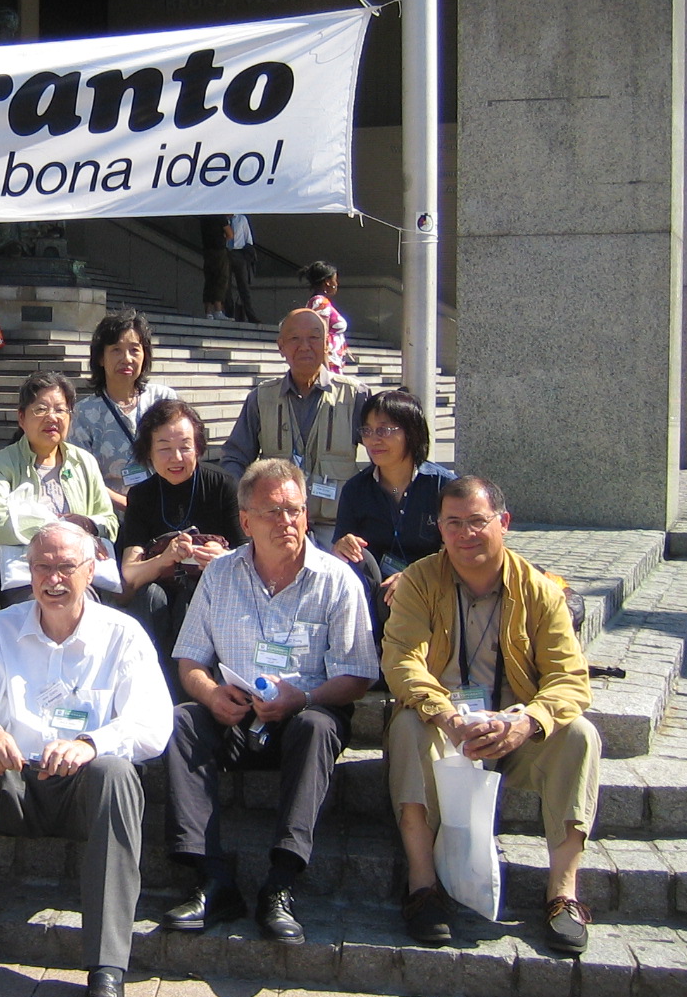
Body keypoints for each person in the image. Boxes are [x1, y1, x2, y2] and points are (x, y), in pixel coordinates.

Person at [0, 522, 172, 997]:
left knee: (115, 771)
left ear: (90, 570)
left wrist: (91, 743)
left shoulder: (123, 635)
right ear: (28, 572)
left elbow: (153, 725)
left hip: (84, 792)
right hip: (15, 784)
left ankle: (106, 969)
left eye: (66, 567)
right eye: (42, 567)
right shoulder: (1, 628)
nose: (53, 579)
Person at [163, 458, 377, 945]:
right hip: (237, 716)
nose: (287, 522)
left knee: (317, 726)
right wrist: (211, 693)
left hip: (303, 715)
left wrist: (304, 697)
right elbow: (189, 662)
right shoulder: (219, 574)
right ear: (246, 521)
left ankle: (280, 883)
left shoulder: (337, 579)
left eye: (295, 510)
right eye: (273, 512)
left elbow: (358, 675)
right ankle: (211, 878)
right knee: (183, 720)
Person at [383, 476, 599, 956]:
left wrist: (527, 722)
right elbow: (401, 662)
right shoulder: (419, 581)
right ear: (440, 528)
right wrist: (446, 716)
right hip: (447, 731)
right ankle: (422, 886)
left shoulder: (540, 591)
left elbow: (570, 678)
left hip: (515, 732)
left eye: (477, 522)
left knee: (579, 734)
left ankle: (563, 894)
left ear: (503, 523)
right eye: (453, 523)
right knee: (406, 726)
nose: (465, 534)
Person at [116, 398, 245, 695]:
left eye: (185, 447)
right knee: (151, 597)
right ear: (148, 452)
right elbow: (130, 573)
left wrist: (223, 558)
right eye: (164, 448)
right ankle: (155, 691)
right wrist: (165, 558)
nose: (176, 458)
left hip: (213, 592)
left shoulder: (223, 486)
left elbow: (250, 555)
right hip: (161, 596)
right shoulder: (141, 496)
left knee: (193, 598)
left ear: (198, 447)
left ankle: (199, 692)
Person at [219, 309, 368, 540]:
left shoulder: (354, 395)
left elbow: (382, 455)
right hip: (278, 524)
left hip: (336, 527)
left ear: (327, 344)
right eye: (295, 338)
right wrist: (246, 503)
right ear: (281, 346)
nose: (305, 346)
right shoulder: (261, 398)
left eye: (314, 337)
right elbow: (235, 457)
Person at [0, 371, 120, 607]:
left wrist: (89, 524)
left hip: (76, 575)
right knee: (38, 607)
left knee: (82, 605)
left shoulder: (84, 462)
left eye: (60, 410)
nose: (52, 417)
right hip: (24, 575)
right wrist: (62, 530)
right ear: (22, 418)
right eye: (41, 409)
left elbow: (110, 522)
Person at [330, 389, 456, 633]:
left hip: (431, 592)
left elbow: (456, 553)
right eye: (367, 431)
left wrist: (414, 578)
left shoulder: (443, 486)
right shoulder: (355, 489)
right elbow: (340, 550)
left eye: (384, 430)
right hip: (373, 596)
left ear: (411, 432)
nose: (373, 440)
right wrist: (341, 547)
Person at [68, 310, 178, 509]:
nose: (126, 358)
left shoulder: (163, 400)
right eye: (116, 350)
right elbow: (82, 477)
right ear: (101, 358)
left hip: (165, 510)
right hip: (112, 515)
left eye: (134, 350)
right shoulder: (82, 415)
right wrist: (131, 506)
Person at [302, 260, 350, 373]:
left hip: (333, 359)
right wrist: (325, 367)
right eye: (335, 280)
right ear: (328, 282)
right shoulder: (321, 303)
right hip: (329, 361)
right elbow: (322, 334)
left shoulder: (319, 301)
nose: (337, 284)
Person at [225, 213, 259, 324]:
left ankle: (250, 315)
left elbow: (248, 238)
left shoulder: (241, 219)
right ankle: (229, 313)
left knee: (243, 286)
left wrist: (247, 254)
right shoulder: (223, 219)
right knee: (226, 285)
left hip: (239, 253)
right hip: (226, 252)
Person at [199, 215, 231, 320]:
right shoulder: (220, 217)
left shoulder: (204, 217)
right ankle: (218, 310)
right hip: (219, 250)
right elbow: (230, 234)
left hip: (207, 250)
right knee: (221, 279)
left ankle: (208, 312)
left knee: (209, 279)